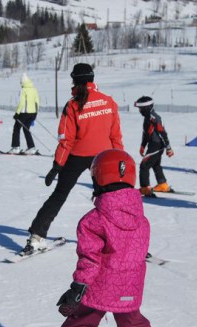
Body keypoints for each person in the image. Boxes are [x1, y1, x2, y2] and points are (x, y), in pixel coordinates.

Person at [48, 149, 171, 327]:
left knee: (79, 324)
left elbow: (90, 258)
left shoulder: (93, 220)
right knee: (135, 326)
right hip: (130, 287)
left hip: (99, 287)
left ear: (98, 178)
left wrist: (78, 287)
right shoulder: (142, 219)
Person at [21, 63, 123, 256]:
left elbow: (66, 140)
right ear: (92, 79)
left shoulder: (73, 104)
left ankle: (36, 237)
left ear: (75, 81)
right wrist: (119, 160)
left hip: (76, 156)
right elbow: (115, 136)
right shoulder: (108, 101)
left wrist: (57, 165)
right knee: (108, 198)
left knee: (59, 195)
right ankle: (118, 238)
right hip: (103, 158)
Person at [134, 96, 174, 196]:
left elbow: (162, 133)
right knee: (155, 164)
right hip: (153, 144)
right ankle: (162, 184)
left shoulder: (154, 118)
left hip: (157, 145)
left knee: (144, 165)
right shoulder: (147, 118)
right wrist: (143, 146)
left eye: (140, 108)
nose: (139, 111)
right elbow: (146, 133)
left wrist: (168, 148)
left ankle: (145, 188)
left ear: (146, 108)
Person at [9, 73, 39, 154]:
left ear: (23, 82)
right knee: (26, 129)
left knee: (16, 128)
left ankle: (16, 147)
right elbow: (37, 102)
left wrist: (17, 113)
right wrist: (35, 113)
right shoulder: (34, 89)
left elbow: (21, 103)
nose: (20, 84)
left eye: (21, 82)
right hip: (33, 113)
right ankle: (31, 147)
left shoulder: (23, 90)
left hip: (24, 113)